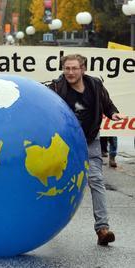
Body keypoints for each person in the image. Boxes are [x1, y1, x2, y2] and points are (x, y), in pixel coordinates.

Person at [48, 54, 126, 246]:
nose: (70, 72)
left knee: (96, 179)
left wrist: (114, 114)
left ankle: (102, 229)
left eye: (74, 68)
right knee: (57, 182)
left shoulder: (95, 85)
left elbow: (107, 105)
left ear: (83, 69)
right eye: (67, 68)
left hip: (90, 140)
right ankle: (48, 226)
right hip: (65, 143)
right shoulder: (57, 88)